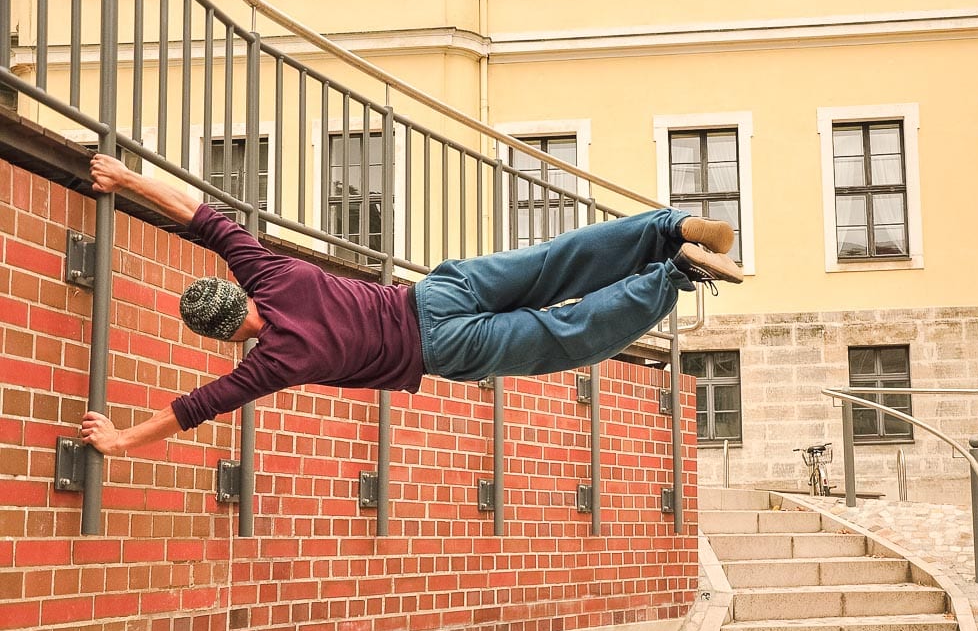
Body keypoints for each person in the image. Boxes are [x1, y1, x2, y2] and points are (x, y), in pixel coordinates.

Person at [79, 153, 742, 455]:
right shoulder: (268, 271)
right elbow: (204, 216)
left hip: (440, 347)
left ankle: (674, 274)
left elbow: (188, 410)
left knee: (562, 335)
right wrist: (123, 175)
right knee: (555, 261)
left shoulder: (272, 360)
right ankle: (669, 228)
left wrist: (117, 439)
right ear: (237, 291)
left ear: (228, 335)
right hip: (438, 289)